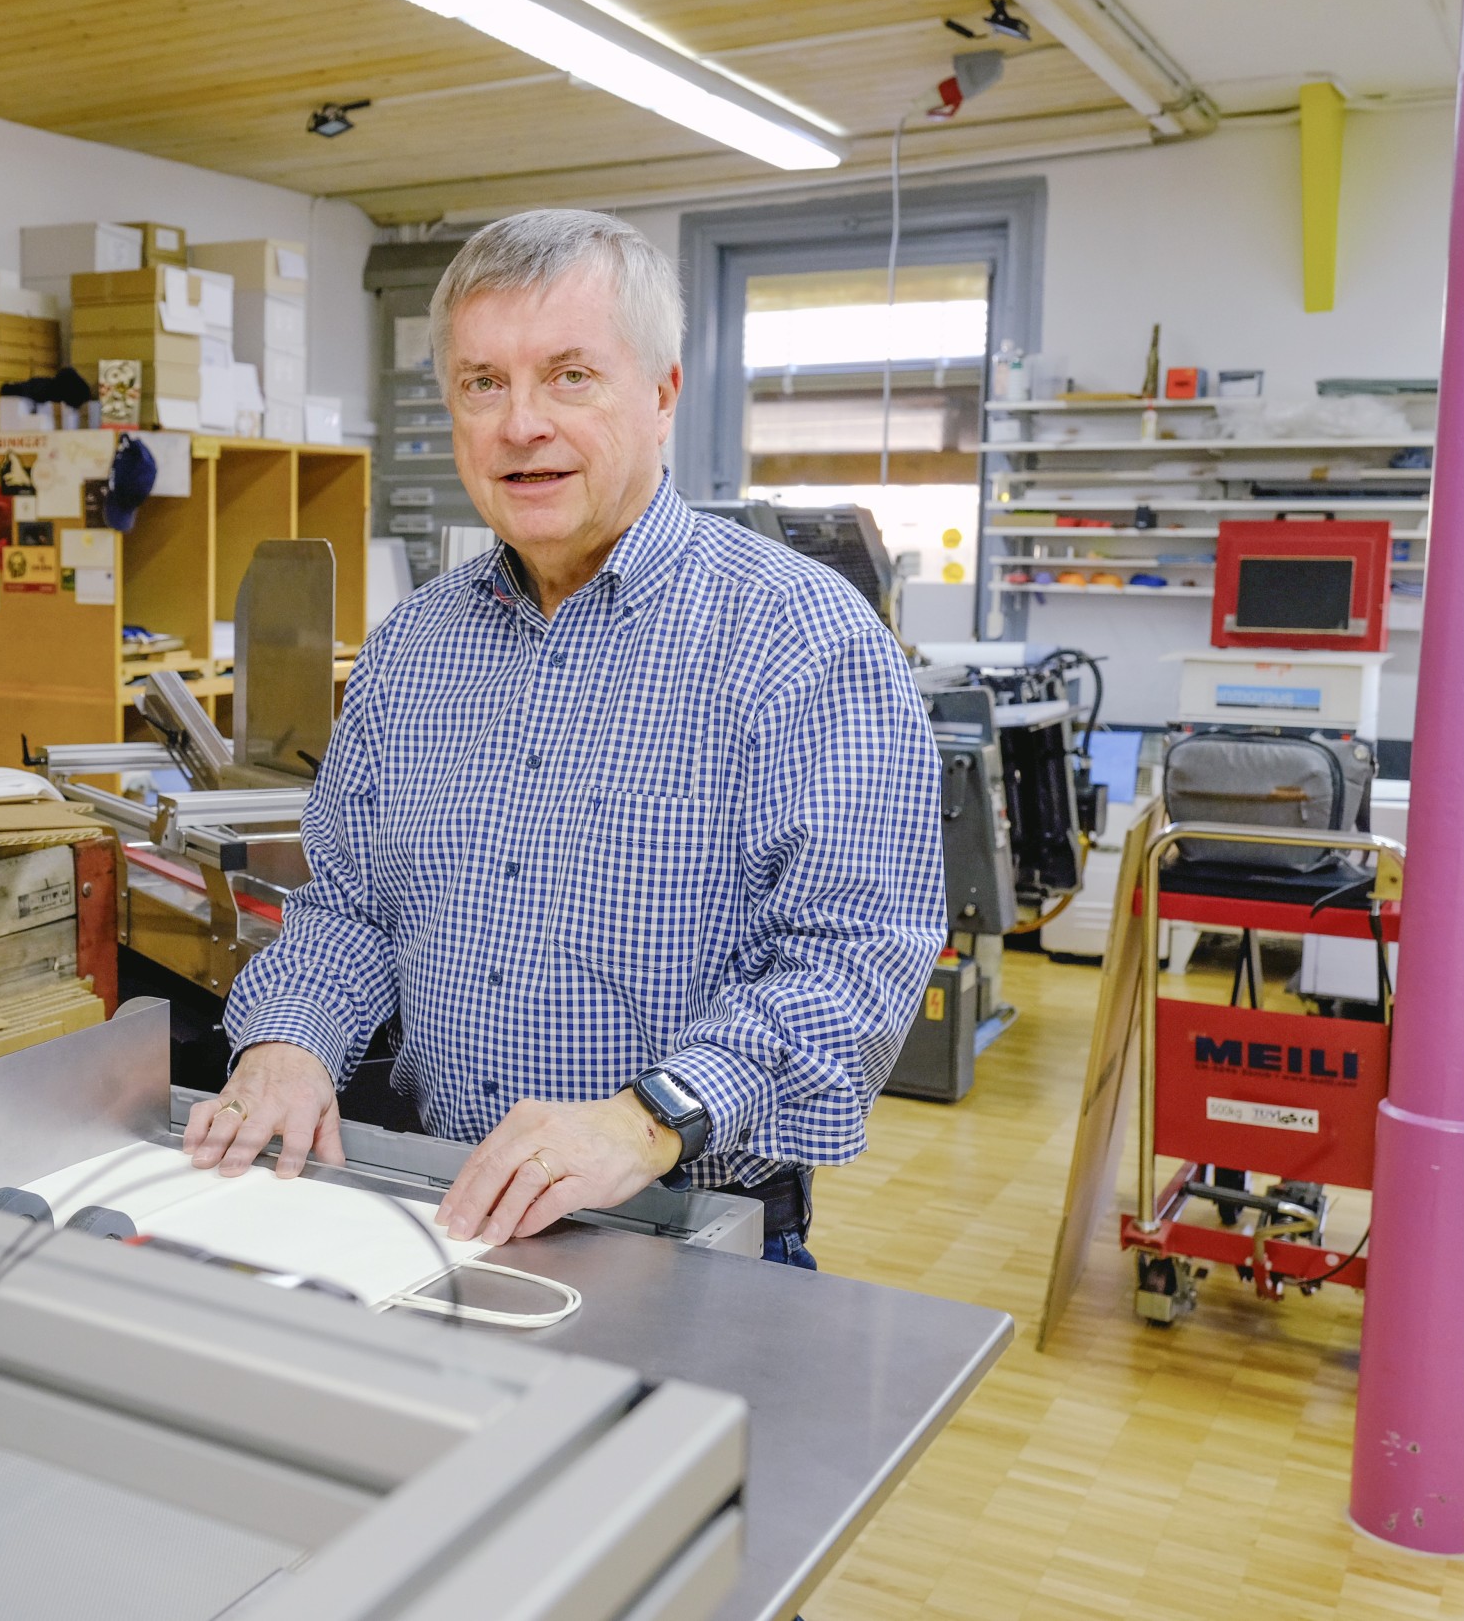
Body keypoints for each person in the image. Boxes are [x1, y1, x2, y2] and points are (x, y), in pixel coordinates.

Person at [183, 208, 944, 1266]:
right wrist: (285, 1042)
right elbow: (348, 912)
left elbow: (855, 956)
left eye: (569, 376)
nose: (518, 423)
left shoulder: (795, 638)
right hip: (430, 1204)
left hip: (679, 1228)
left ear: (663, 394)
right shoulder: (413, 648)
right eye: (481, 382)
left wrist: (641, 1120)